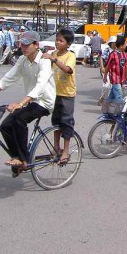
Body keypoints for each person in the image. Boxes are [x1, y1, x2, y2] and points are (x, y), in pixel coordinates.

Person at [0, 31, 56, 171]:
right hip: (31, 101)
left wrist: (20, 104)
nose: (24, 47)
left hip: (44, 102)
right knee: (5, 125)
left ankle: (24, 159)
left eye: (27, 45)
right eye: (22, 44)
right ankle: (17, 157)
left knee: (20, 119)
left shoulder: (44, 61)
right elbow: (8, 78)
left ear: (36, 45)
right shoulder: (22, 60)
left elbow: (40, 86)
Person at [41, 28, 77, 165]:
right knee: (56, 122)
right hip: (54, 93)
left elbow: (68, 70)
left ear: (68, 44)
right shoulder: (54, 53)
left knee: (66, 122)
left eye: (61, 41)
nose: (57, 43)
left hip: (67, 94)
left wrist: (53, 59)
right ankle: (56, 147)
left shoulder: (70, 55)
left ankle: (66, 150)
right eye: (57, 40)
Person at [103, 35, 127, 106]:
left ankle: (105, 107)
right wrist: (105, 77)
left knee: (112, 95)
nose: (126, 45)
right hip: (115, 79)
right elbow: (108, 67)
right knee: (119, 96)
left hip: (122, 79)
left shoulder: (124, 54)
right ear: (121, 46)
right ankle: (120, 112)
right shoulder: (113, 55)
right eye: (125, 44)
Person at [98, 35, 118, 107]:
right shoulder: (107, 50)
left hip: (115, 71)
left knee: (113, 86)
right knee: (106, 86)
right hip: (106, 69)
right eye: (113, 42)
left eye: (115, 42)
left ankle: (107, 101)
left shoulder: (118, 51)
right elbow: (101, 58)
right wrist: (102, 67)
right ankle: (102, 98)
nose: (114, 44)